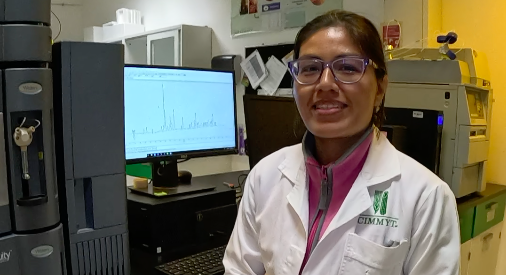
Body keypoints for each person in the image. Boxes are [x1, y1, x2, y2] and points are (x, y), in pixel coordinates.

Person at [223, 9, 460, 275]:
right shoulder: (263, 178)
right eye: (310, 68)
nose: (325, 84)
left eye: (347, 67)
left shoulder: (426, 198)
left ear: (380, 87)